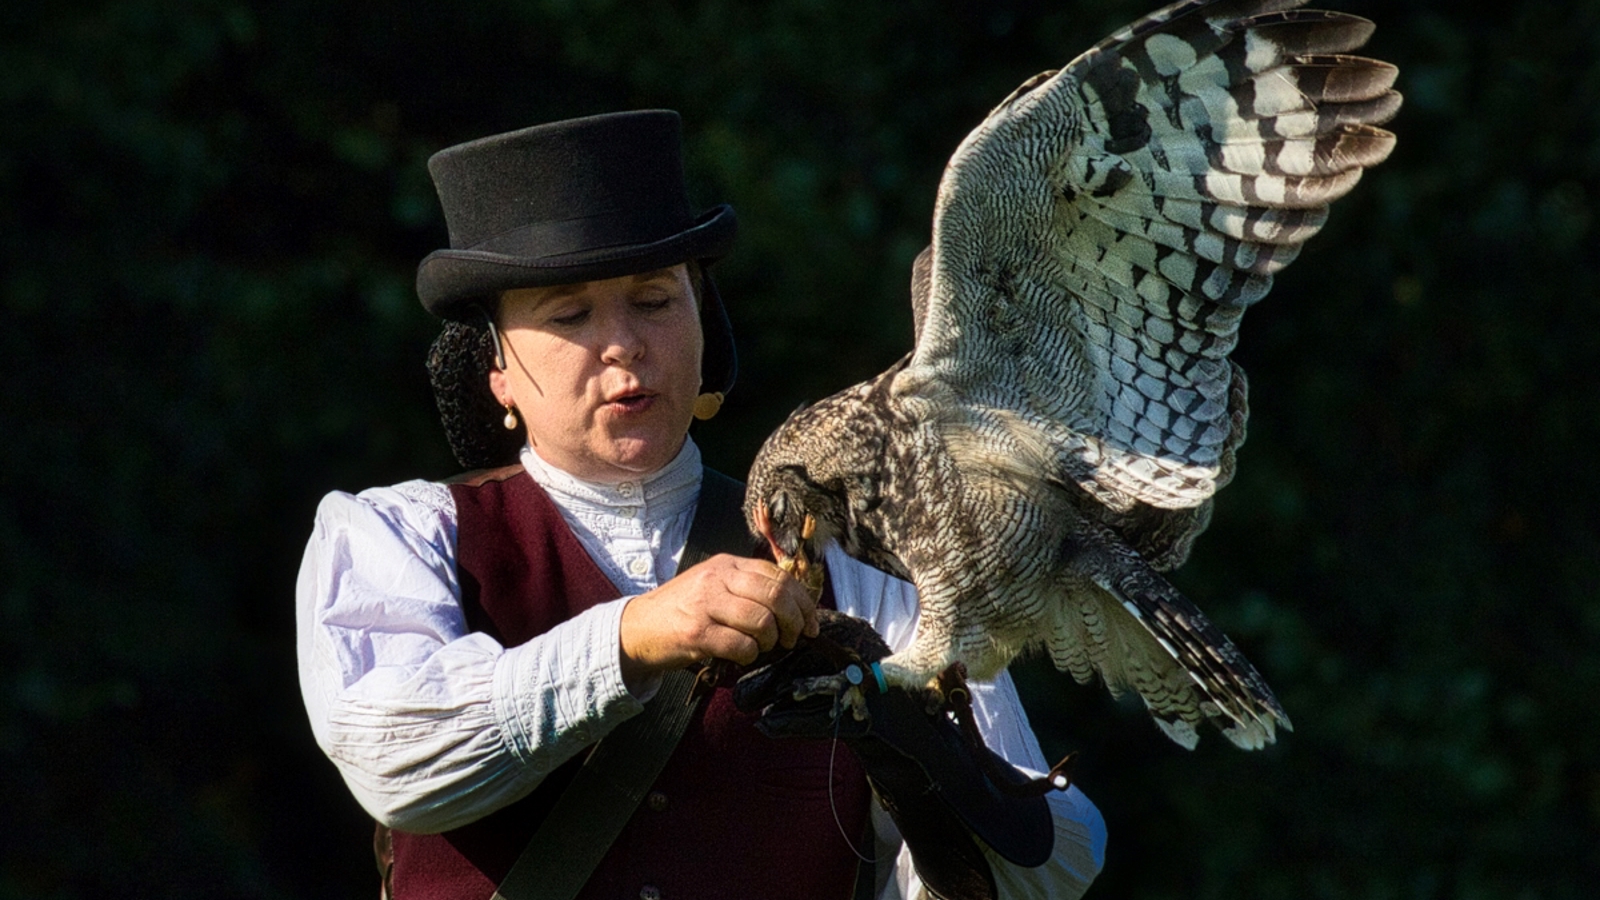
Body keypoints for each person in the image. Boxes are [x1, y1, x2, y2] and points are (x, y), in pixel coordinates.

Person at [296, 110, 1106, 900]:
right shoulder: (400, 534)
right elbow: (391, 755)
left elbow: (1058, 865)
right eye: (570, 314)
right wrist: (635, 634)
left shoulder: (858, 561)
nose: (624, 343)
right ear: (497, 370)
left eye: (654, 300)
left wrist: (923, 751)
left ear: (702, 322)